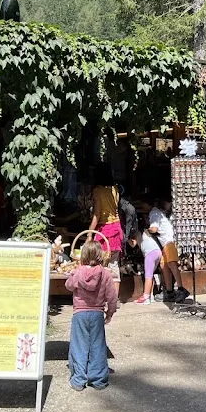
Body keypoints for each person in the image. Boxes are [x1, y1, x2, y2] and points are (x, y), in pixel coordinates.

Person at [65, 241, 117, 391]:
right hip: (97, 313)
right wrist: (110, 312)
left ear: (83, 255)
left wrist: (73, 273)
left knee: (79, 346)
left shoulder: (78, 272)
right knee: (98, 346)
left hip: (80, 313)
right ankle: (98, 380)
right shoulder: (105, 273)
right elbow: (112, 296)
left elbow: (68, 285)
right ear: (101, 255)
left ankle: (79, 380)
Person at [88, 162, 123, 294]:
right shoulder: (115, 189)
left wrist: (90, 233)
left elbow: (97, 214)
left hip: (104, 231)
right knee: (114, 265)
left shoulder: (97, 191)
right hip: (116, 228)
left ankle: (100, 296)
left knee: (99, 264)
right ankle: (114, 297)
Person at [149, 196, 188, 303]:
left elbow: (154, 229)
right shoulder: (159, 213)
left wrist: (146, 230)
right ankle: (169, 291)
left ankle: (181, 289)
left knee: (172, 265)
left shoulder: (154, 213)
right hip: (166, 243)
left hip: (168, 242)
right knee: (164, 266)